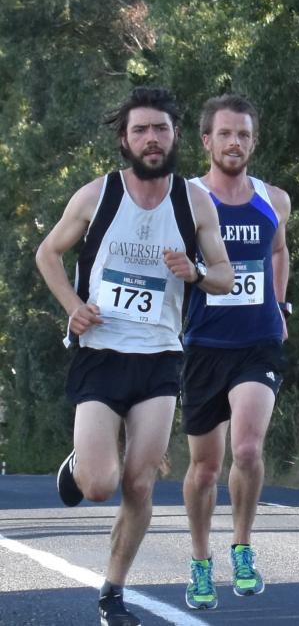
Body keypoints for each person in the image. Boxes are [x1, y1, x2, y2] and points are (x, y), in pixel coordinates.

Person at [35, 87, 233, 626]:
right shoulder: (97, 195)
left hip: (161, 357)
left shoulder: (194, 202)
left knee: (141, 483)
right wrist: (73, 306)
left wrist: (194, 273)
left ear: (175, 138)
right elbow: (48, 253)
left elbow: (225, 276)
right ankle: (80, 465)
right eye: (141, 130)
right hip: (100, 352)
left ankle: (112, 595)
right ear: (124, 138)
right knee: (101, 485)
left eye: (161, 130)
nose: (151, 139)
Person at [181, 94, 291, 610]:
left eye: (243, 135)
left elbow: (277, 250)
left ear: (253, 141)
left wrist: (282, 305)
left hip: (257, 341)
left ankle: (242, 548)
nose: (234, 143)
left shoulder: (275, 199)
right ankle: (201, 562)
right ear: (206, 141)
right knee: (205, 467)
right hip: (202, 344)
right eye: (225, 134)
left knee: (247, 450)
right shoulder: (186, 199)